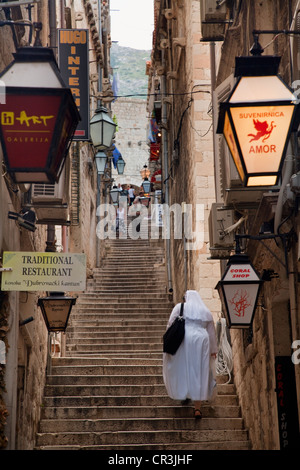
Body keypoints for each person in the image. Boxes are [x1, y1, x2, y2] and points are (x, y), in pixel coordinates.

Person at [163, 290, 218, 419]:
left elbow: (170, 324)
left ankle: (184, 393)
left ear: (186, 298)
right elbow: (211, 332)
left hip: (184, 339)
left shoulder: (180, 307)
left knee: (183, 368)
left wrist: (168, 342)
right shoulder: (206, 312)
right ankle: (197, 408)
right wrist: (213, 350)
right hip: (202, 340)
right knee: (199, 371)